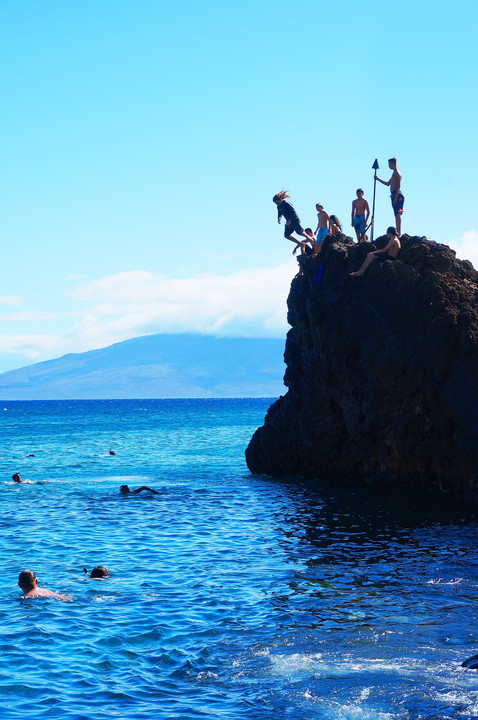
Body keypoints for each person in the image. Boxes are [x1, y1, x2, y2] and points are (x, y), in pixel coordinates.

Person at [376, 158, 404, 236]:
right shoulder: (393, 173)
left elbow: (398, 186)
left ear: (393, 163)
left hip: (397, 195)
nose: (388, 166)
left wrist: (395, 197)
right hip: (393, 194)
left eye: (389, 164)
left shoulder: (397, 173)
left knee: (398, 213)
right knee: (396, 213)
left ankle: (398, 232)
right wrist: (378, 179)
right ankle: (398, 231)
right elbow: (388, 183)